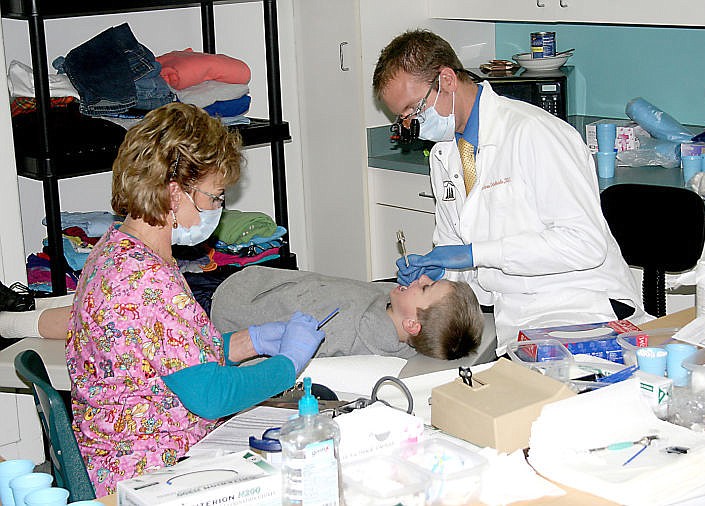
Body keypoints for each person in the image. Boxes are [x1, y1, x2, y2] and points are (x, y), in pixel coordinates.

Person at [63, 103, 324, 496]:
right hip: (148, 475)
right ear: (173, 193)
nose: (218, 209)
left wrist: (249, 340)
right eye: (215, 197)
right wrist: (287, 367)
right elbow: (210, 396)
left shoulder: (119, 248)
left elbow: (164, 358)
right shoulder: (145, 279)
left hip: (125, 458)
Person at [372, 30, 645, 354]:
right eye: (403, 119)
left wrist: (475, 254)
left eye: (412, 111)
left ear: (446, 81)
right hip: (519, 321)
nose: (411, 126)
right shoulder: (443, 157)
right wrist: (443, 272)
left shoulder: (534, 134)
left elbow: (585, 245)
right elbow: (477, 280)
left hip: (587, 307)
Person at [1, 265, 485, 361]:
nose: (418, 279)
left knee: (119, 307)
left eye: (424, 287)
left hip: (221, 306)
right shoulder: (384, 315)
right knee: (115, 288)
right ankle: (30, 303)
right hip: (238, 290)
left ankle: (11, 323)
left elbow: (279, 330)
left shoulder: (350, 325)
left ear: (413, 324)